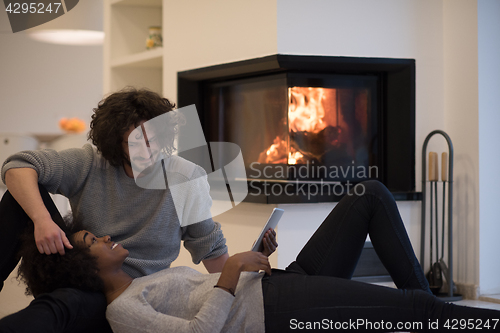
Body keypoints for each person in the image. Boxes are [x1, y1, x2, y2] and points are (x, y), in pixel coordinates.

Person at [7, 180, 500, 332]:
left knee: (368, 193)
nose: (106, 236)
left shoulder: (145, 278)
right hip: (274, 310)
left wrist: (253, 256)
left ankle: (428, 314)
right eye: (93, 241)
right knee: (418, 312)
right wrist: (233, 273)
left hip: (276, 286)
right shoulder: (122, 312)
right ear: (82, 265)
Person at [0, 88, 228, 332]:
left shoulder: (186, 177)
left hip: (129, 291)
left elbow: (209, 247)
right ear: (115, 141)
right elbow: (18, 165)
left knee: (63, 304)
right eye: (136, 142)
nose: (149, 149)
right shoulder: (90, 162)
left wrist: (238, 288)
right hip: (81, 270)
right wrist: (41, 219)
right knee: (18, 201)